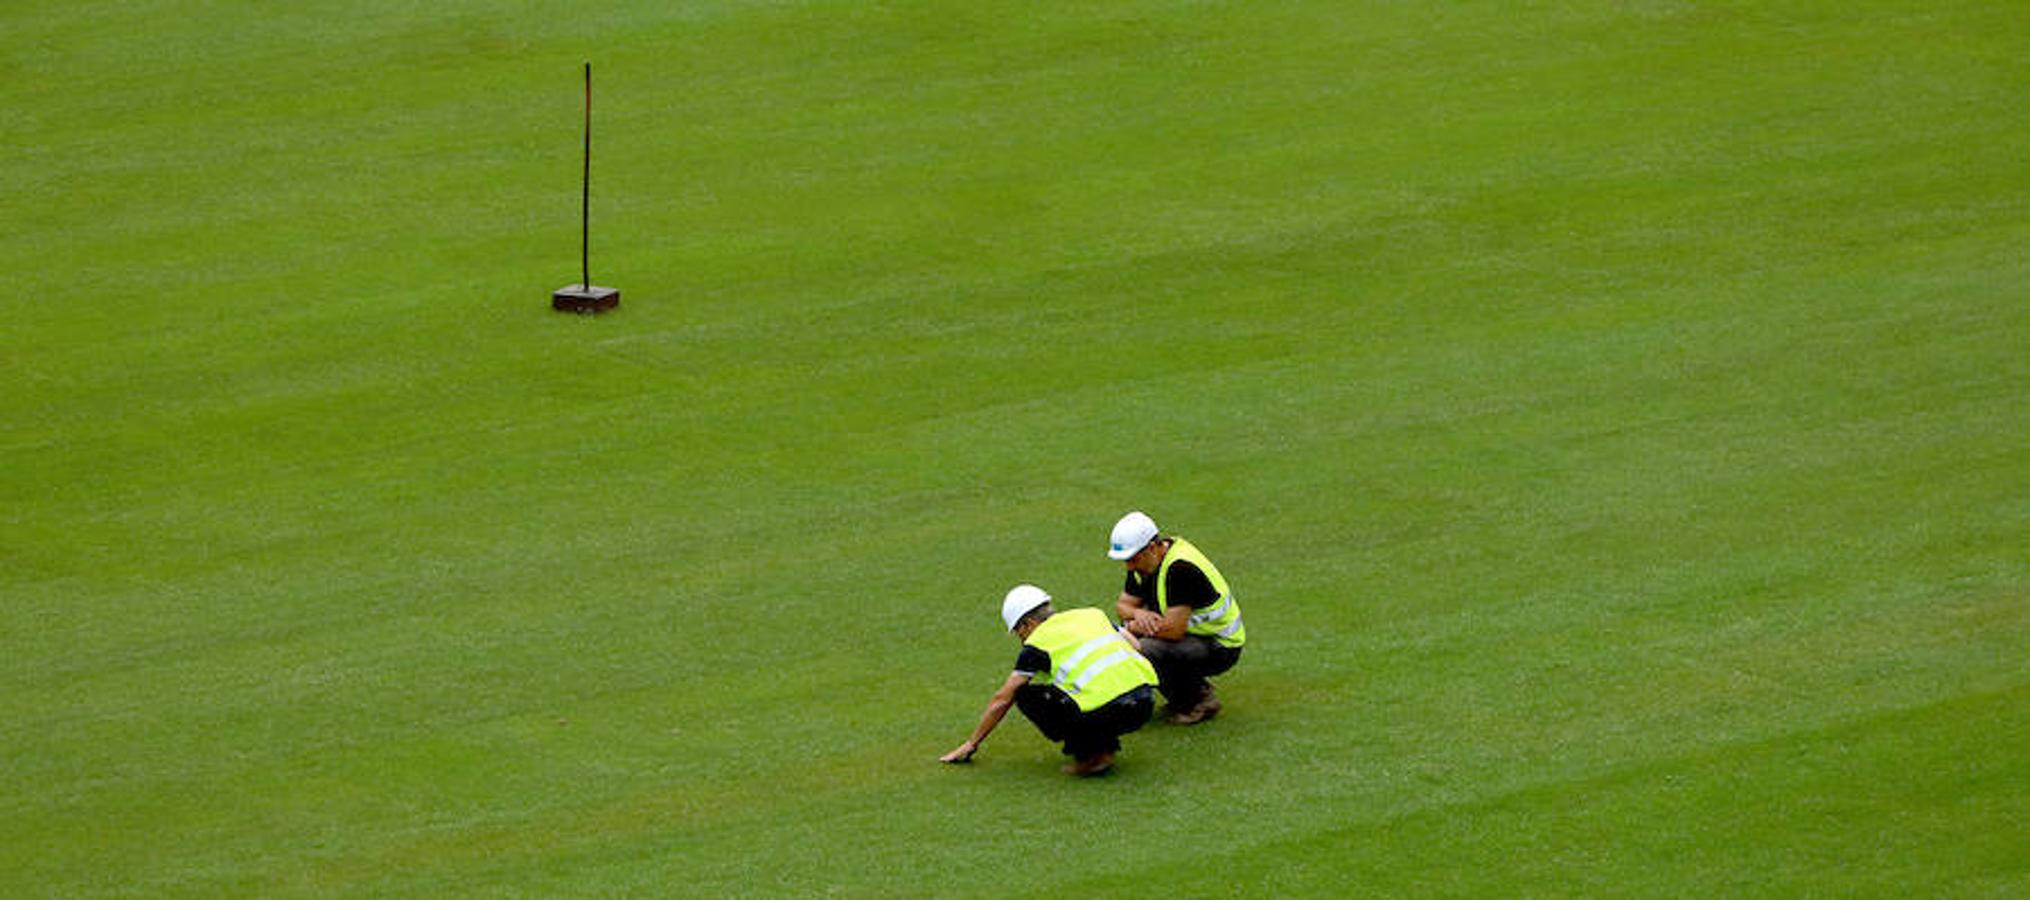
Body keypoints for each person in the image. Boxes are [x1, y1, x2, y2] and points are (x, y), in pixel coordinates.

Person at [939, 585, 1158, 776]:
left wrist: (972, 743)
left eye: (1018, 632)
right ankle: (1102, 747)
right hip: (1145, 701)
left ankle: (1092, 755)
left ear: (1028, 624)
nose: (1021, 638)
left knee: (1025, 694)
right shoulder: (1091, 615)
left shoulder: (1037, 644)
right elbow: (1136, 646)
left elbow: (1002, 699)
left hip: (1110, 712)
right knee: (1080, 693)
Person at [1109, 511, 1245, 724]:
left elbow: (1173, 630)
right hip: (1194, 638)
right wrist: (1139, 613)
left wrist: (1133, 627)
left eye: (1133, 559)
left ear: (1152, 547)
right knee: (1131, 641)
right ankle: (1188, 692)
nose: (1129, 566)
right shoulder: (1143, 563)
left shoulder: (1180, 569)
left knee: (1143, 649)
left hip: (1220, 645)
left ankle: (1199, 700)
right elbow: (1123, 605)